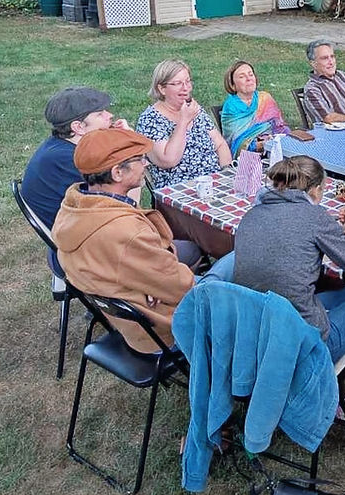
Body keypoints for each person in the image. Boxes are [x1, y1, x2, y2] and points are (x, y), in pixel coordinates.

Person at [232, 156, 345, 443]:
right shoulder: (314, 217)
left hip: (258, 338)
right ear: (315, 190)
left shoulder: (250, 216)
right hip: (302, 347)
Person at [52, 128, 234, 353]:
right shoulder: (126, 232)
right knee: (236, 257)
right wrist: (151, 287)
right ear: (118, 173)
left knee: (201, 256)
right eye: (140, 159)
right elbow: (183, 287)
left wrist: (144, 283)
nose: (146, 164)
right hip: (162, 329)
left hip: (130, 313)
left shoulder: (75, 206)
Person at [137, 59, 233, 257]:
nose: (186, 88)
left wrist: (226, 175)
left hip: (213, 187)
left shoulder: (195, 111)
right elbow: (169, 159)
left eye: (188, 82)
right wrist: (183, 121)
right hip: (181, 200)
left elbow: (221, 145)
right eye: (178, 83)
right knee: (230, 237)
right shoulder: (150, 120)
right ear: (161, 88)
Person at [21, 86, 130, 229]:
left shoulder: (61, 147)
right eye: (99, 114)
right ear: (78, 127)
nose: (109, 115)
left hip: (76, 227)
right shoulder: (71, 160)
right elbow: (126, 209)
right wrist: (130, 150)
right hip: (83, 241)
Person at [220, 60, 290, 155]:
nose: (248, 79)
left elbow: (280, 126)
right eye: (242, 77)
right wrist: (262, 145)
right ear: (233, 86)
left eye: (251, 75)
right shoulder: (231, 107)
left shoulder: (265, 98)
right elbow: (237, 143)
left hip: (275, 147)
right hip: (247, 157)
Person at [302, 40, 345, 125]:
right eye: (325, 58)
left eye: (332, 57)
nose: (331, 62)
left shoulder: (343, 75)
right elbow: (329, 118)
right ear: (313, 64)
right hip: (337, 134)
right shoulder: (313, 88)